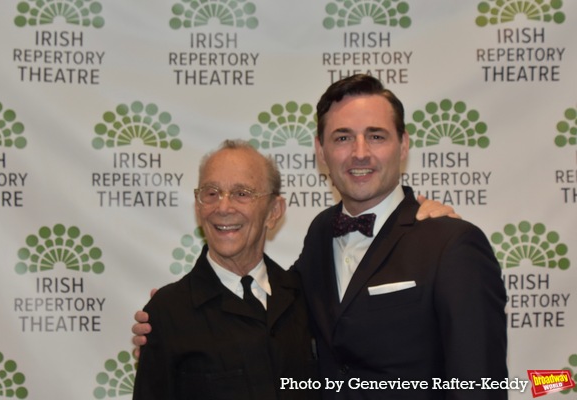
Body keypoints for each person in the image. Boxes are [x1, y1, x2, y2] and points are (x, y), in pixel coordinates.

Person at [134, 74, 506, 399]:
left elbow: (480, 385)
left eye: (376, 136)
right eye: (342, 137)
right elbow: (267, 304)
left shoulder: (451, 244)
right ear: (321, 151)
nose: (360, 153)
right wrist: (174, 325)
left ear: (403, 145)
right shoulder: (320, 234)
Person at [132, 140, 319, 400]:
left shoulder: (306, 299)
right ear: (198, 208)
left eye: (242, 193)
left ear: (273, 212)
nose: (223, 207)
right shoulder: (167, 313)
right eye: (211, 193)